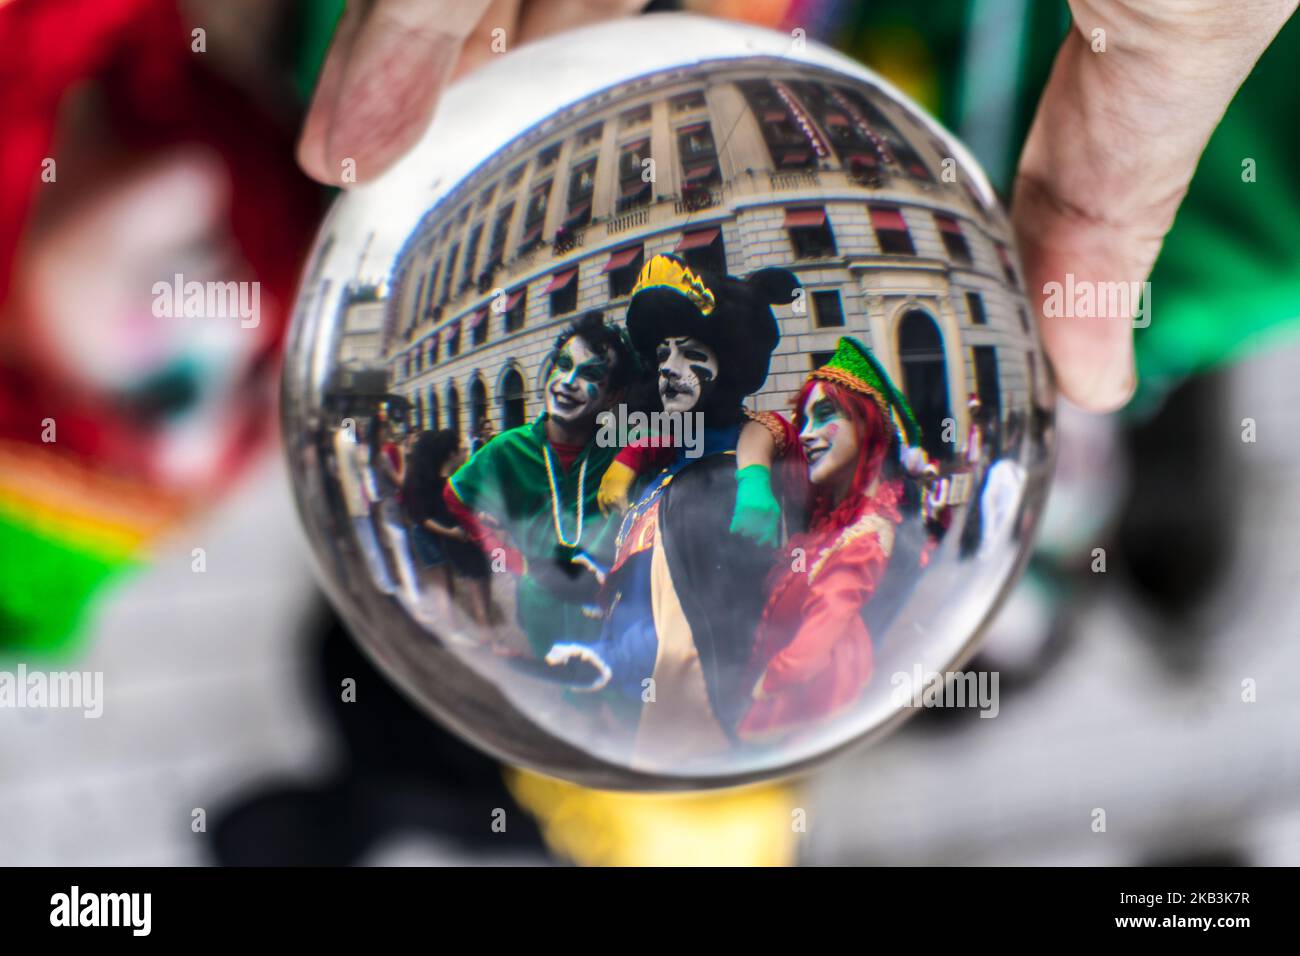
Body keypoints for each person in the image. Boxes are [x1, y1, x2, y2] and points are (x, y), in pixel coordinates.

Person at [545, 254, 799, 764]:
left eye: (689, 354)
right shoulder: (670, 457)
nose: (669, 370)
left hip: (687, 717)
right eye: (662, 355)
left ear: (730, 358)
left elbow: (697, 622)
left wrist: (610, 660)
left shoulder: (719, 479)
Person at [733, 336, 926, 739]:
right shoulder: (829, 523)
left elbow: (823, 630)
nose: (806, 433)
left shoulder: (868, 534)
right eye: (804, 420)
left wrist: (770, 680)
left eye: (824, 415)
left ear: (868, 424)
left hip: (807, 711)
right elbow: (760, 427)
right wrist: (752, 475)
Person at [442, 310, 640, 656]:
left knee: (606, 691)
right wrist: (504, 553)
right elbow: (455, 496)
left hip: (605, 605)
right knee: (559, 684)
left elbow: (678, 440)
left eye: (590, 374)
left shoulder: (620, 444)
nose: (567, 381)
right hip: (539, 603)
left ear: (613, 397)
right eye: (563, 365)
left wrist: (633, 458)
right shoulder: (507, 448)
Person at [402, 429, 491, 630]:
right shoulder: (422, 479)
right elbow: (422, 518)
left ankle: (452, 626)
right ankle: (450, 630)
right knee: (442, 584)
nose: (463, 450)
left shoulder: (430, 475)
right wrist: (451, 533)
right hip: (428, 535)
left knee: (448, 583)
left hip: (438, 534)